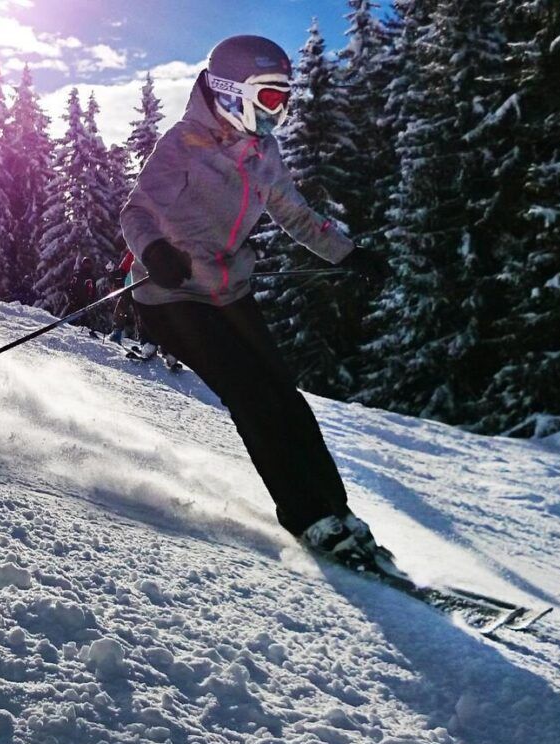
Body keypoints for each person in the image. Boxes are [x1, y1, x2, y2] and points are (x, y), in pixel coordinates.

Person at [120, 34, 391, 568]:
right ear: (228, 91)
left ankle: (337, 511)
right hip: (171, 295)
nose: (279, 111)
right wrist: (154, 250)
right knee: (252, 396)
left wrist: (348, 254)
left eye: (284, 99)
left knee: (285, 396)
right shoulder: (183, 143)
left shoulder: (264, 152)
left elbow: (294, 215)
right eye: (269, 98)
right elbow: (136, 212)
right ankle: (306, 517)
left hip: (228, 290)